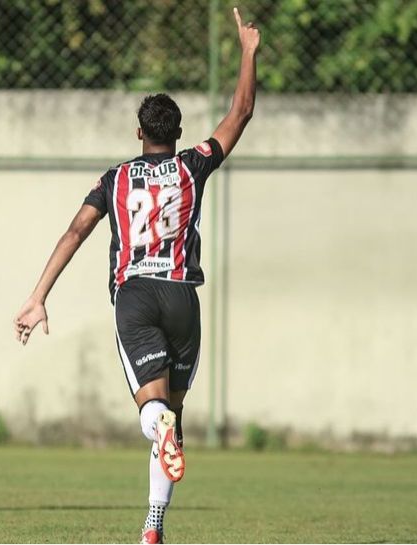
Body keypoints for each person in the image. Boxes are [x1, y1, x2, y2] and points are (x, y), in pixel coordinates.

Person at [14, 7, 259, 543]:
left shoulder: (115, 178)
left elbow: (75, 233)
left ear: (139, 131)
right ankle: (153, 527)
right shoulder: (194, 165)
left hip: (136, 297)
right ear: (176, 134)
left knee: (153, 412)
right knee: (173, 408)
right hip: (182, 298)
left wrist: (38, 296)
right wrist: (247, 52)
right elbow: (240, 112)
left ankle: (159, 433)